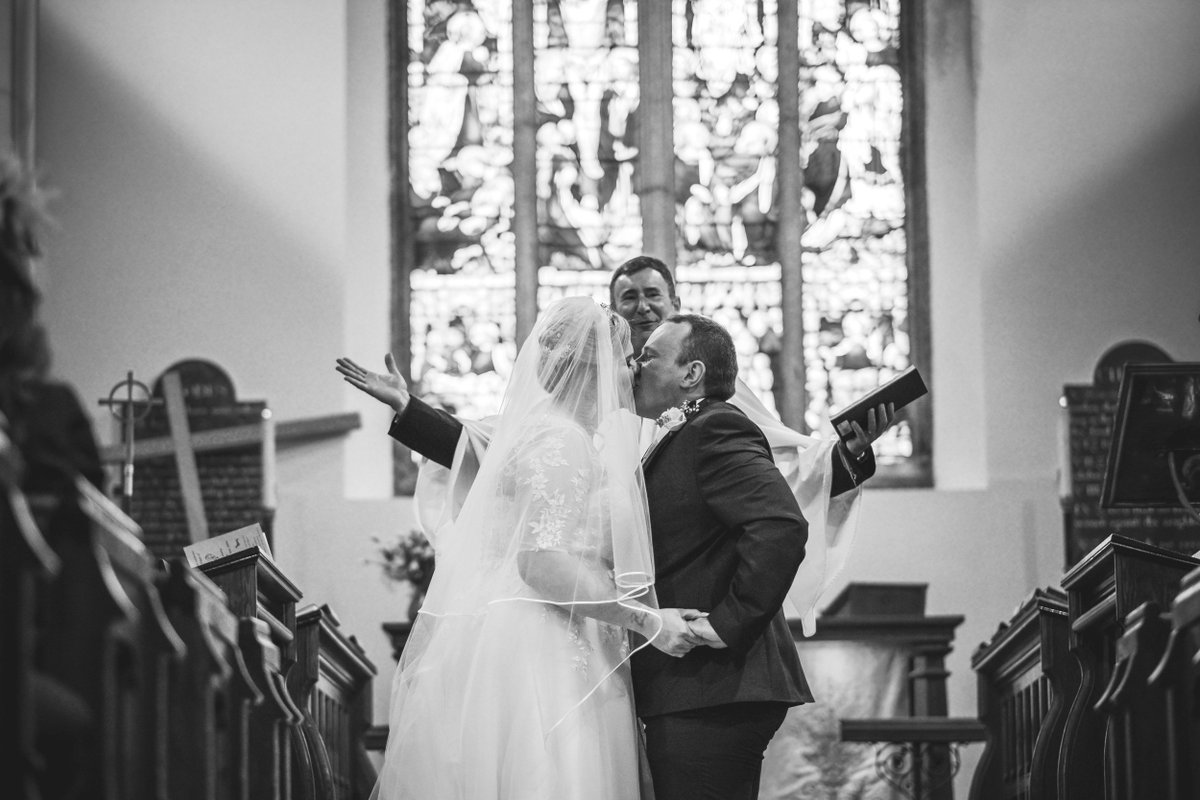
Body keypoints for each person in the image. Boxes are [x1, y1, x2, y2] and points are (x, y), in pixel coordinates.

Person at [363, 297, 705, 800]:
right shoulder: (562, 442)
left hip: (552, 630)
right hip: (548, 647)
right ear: (593, 369)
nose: (632, 371)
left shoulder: (553, 434)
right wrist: (647, 621)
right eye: (625, 359)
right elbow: (541, 563)